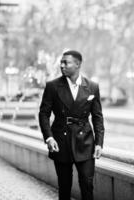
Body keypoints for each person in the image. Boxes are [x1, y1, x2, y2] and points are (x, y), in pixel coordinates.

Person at [39, 50, 104, 200]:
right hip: (61, 141)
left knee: (87, 184)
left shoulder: (92, 87)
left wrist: (99, 143)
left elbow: (97, 117)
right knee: (64, 186)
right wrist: (49, 138)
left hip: (86, 142)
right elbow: (44, 114)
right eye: (61, 62)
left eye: (65, 62)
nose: (61, 65)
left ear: (77, 64)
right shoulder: (53, 86)